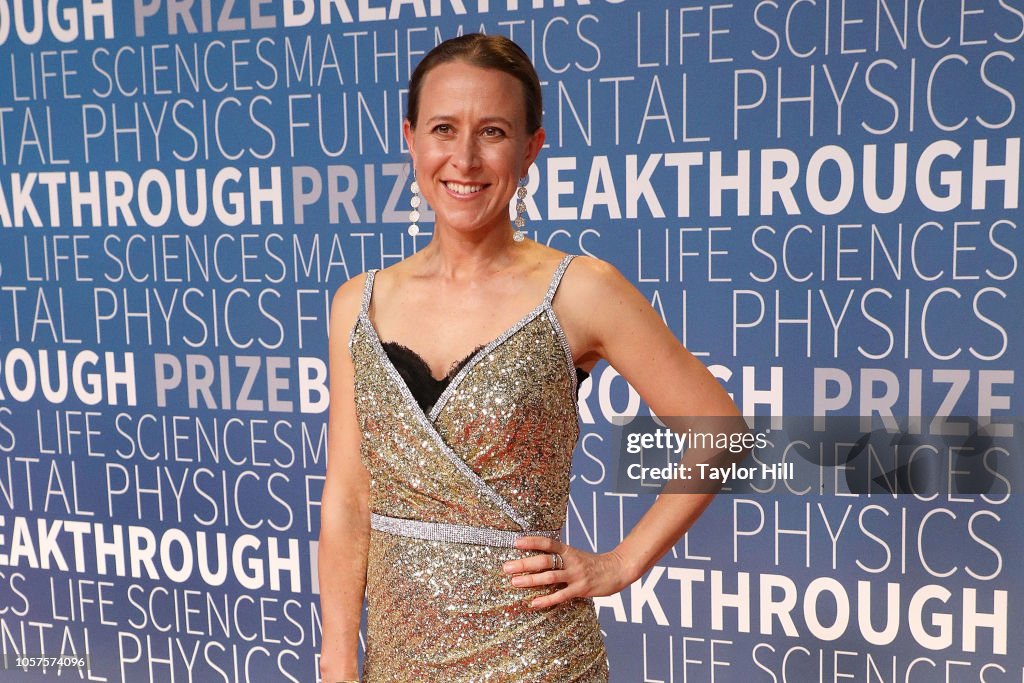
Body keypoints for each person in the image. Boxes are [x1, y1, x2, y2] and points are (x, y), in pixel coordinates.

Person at [318, 33, 744, 682]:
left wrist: (620, 563)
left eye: (492, 131)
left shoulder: (580, 292)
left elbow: (722, 434)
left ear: (530, 148)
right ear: (410, 138)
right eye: (442, 128)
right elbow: (348, 499)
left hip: (538, 659)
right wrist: (338, 660)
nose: (463, 158)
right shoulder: (358, 303)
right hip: (396, 664)